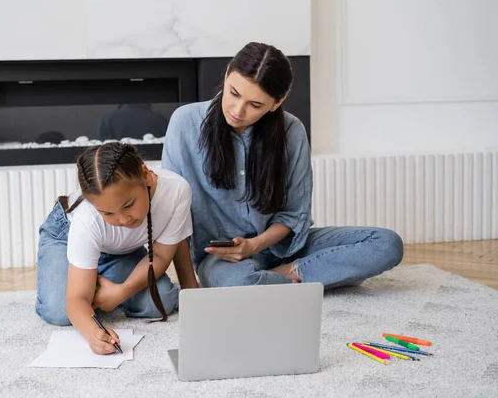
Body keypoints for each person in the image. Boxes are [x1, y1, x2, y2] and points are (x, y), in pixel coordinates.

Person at [162, 42, 404, 289]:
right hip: (224, 260)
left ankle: (286, 275)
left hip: (284, 247)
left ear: (276, 103)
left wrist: (255, 245)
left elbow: (294, 214)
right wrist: (190, 287)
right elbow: (171, 214)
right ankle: (311, 277)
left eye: (255, 105)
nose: (237, 110)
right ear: (226, 75)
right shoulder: (185, 123)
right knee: (234, 281)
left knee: (386, 244)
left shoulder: (292, 131)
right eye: (234, 93)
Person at [36, 142, 199, 354]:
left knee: (164, 299)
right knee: (59, 311)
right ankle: (85, 276)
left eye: (129, 205)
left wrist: (121, 292)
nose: (123, 219)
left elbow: (161, 254)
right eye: (108, 213)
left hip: (120, 251)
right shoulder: (87, 218)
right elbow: (76, 300)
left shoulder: (177, 190)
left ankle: (95, 278)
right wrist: (93, 333)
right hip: (65, 235)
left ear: (145, 174)